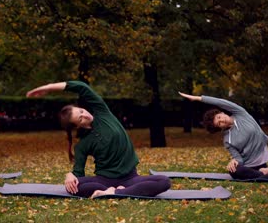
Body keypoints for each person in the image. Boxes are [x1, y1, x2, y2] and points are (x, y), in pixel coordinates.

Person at [27, 81, 171, 198]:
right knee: (72, 187)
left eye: (82, 111)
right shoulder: (82, 145)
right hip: (104, 180)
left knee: (164, 182)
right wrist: (69, 175)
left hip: (130, 177)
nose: (85, 115)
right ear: (77, 126)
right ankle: (115, 190)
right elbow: (78, 174)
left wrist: (48, 87)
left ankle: (114, 193)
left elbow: (82, 87)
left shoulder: (102, 113)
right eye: (80, 118)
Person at [178, 92, 268, 182]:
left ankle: (262, 174)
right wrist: (234, 161)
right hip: (248, 168)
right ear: (219, 128)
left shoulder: (241, 114)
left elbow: (221, 102)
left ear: (222, 113)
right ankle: (263, 175)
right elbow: (239, 159)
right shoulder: (227, 139)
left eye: (219, 117)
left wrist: (199, 98)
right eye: (219, 123)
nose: (222, 121)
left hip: (261, 162)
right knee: (234, 171)